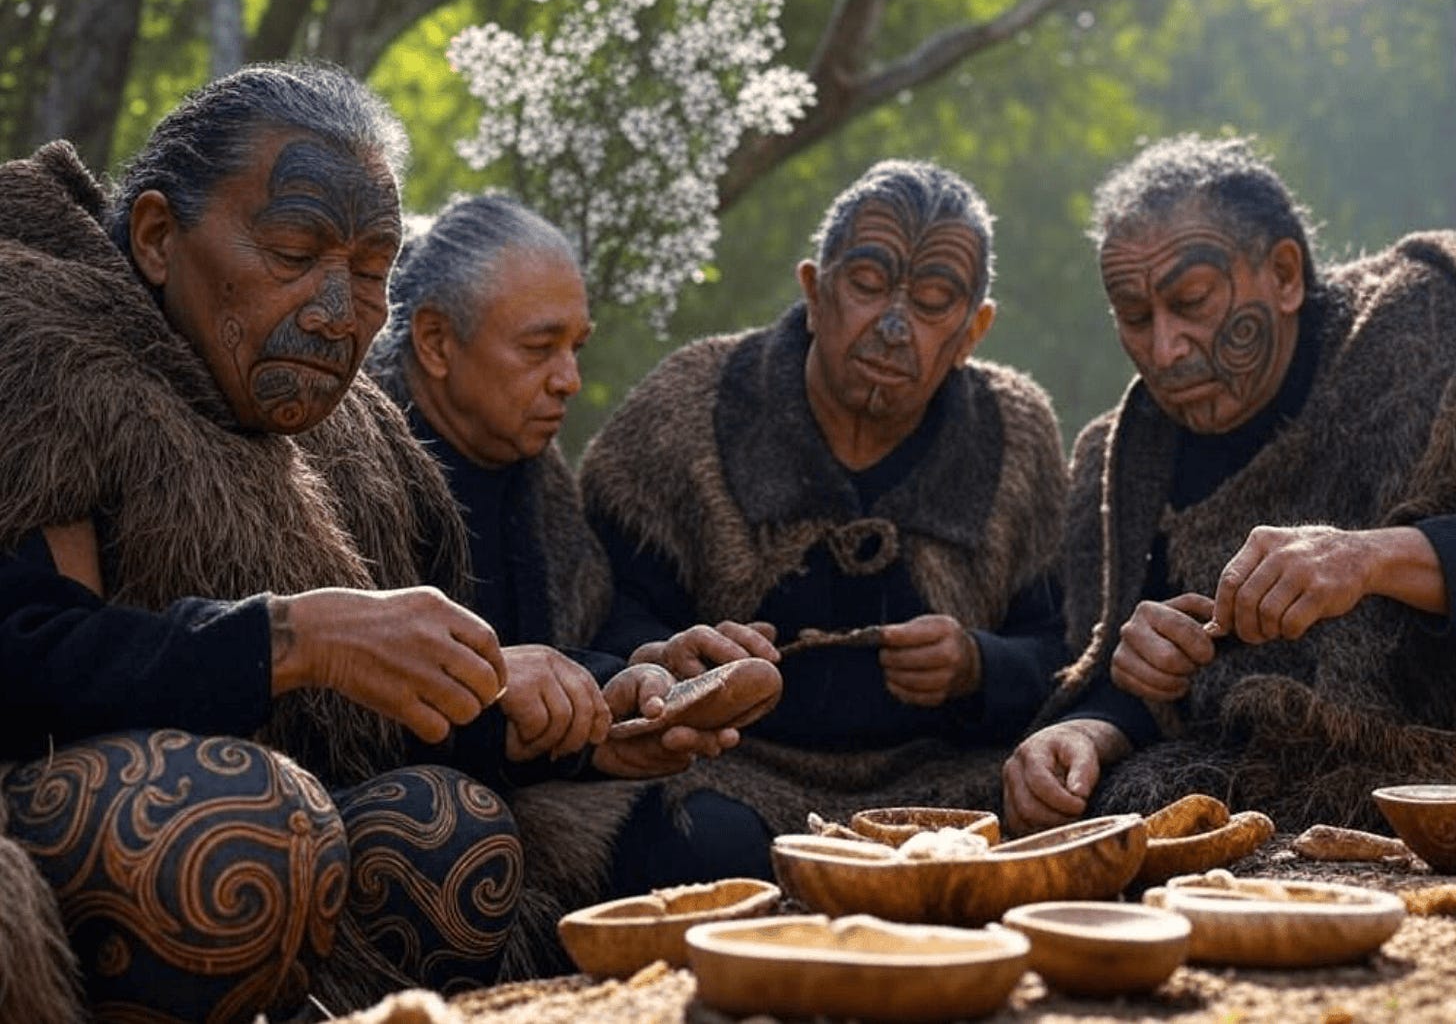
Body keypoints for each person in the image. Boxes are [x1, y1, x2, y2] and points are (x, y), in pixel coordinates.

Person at [0, 62, 731, 1022]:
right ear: (154, 238)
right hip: (112, 823)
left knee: (448, 826)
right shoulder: (39, 353)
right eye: (296, 252)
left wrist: (602, 712)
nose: (342, 313)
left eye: (373, 270)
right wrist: (297, 639)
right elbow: (26, 655)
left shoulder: (362, 438)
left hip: (285, 831)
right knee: (229, 824)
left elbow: (392, 709)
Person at [579, 159, 1069, 837]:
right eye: (867, 285)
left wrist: (979, 665)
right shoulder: (682, 408)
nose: (894, 327)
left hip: (948, 778)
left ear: (972, 332)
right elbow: (598, 611)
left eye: (931, 303)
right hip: (727, 772)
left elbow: (1066, 648)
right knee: (694, 843)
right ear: (815, 290)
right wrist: (667, 656)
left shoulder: (1019, 434)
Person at [363, 193, 783, 972]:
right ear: (434, 340)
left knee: (727, 838)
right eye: (539, 348)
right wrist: (543, 714)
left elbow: (593, 615)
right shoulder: (358, 463)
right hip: (426, 806)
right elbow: (361, 713)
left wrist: (650, 665)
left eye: (578, 347)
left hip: (554, 783)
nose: (570, 381)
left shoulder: (532, 468)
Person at [1002, 134, 1456, 837]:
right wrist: (1095, 724)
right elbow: (1111, 676)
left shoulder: (1428, 327)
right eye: (1134, 316)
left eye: (1192, 300)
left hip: (1433, 764)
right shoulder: (1118, 465)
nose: (1165, 349)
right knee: (1112, 818)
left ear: (1283, 274)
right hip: (1250, 778)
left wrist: (1373, 557)